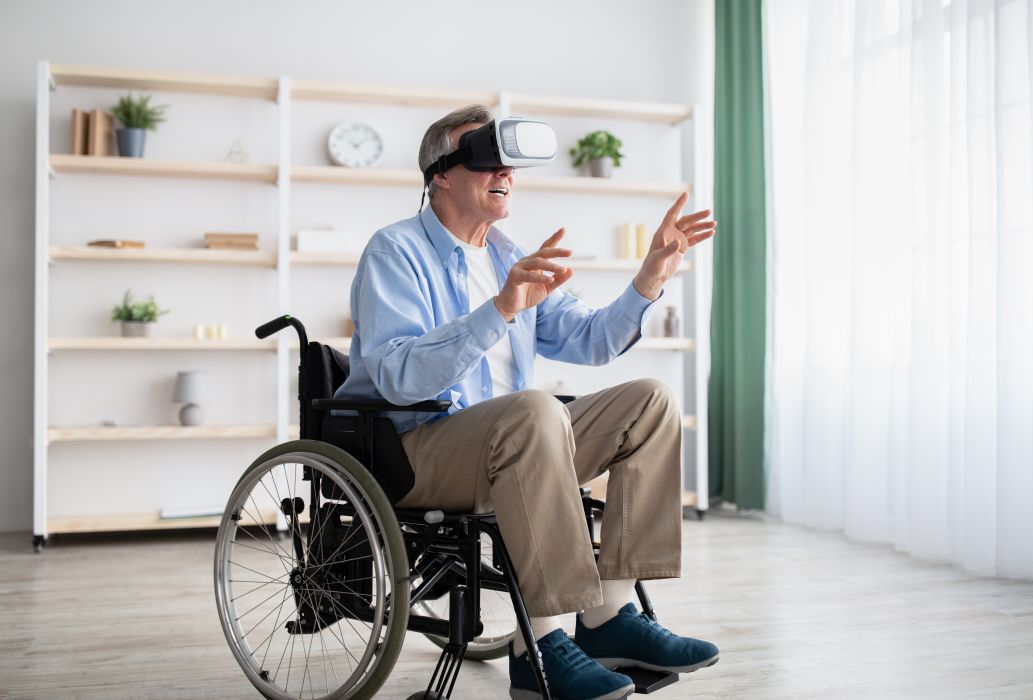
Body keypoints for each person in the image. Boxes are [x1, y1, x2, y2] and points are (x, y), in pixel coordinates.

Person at [335, 105, 719, 700]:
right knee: (536, 408)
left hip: (519, 441)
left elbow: (592, 341)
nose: (505, 171)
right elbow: (397, 376)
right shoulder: (395, 251)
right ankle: (537, 644)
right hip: (418, 452)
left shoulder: (506, 255)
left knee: (652, 401)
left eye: (509, 162)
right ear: (440, 173)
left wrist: (649, 276)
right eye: (487, 157)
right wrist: (499, 311)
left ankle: (609, 618)